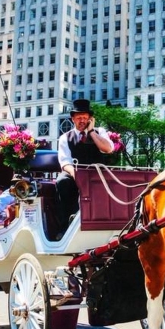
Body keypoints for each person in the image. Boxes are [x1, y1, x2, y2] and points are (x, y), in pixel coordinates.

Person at [56, 99, 114, 232]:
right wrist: (76, 174)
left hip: (97, 172)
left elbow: (109, 149)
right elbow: (65, 162)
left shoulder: (100, 132)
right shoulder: (65, 137)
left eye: (85, 118)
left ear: (90, 119)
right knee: (62, 181)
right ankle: (65, 227)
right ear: (73, 119)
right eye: (79, 118)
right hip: (75, 172)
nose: (82, 121)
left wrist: (92, 132)